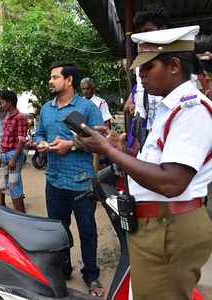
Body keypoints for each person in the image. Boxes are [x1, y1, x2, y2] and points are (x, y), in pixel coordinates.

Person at [79, 26, 212, 300]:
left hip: (169, 227)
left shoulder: (192, 110)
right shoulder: (170, 109)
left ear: (174, 66)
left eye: (147, 68)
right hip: (159, 225)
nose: (140, 75)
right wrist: (120, 150)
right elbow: (158, 167)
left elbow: (171, 182)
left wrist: (107, 150)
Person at [35, 63, 104, 297]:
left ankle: (91, 276)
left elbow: (100, 138)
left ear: (69, 80)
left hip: (81, 181)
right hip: (54, 181)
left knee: (87, 232)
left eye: (55, 77)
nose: (50, 81)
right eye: (51, 77)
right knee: (57, 232)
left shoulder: (87, 107)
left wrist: (71, 145)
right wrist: (41, 144)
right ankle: (63, 269)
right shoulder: (46, 109)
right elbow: (39, 133)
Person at [0, 90, 28, 212]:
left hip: (13, 155)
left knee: (14, 186)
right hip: (6, 155)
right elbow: (5, 138)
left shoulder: (20, 117)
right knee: (7, 186)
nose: (1, 105)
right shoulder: (8, 118)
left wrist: (14, 159)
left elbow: (22, 140)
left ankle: (22, 216)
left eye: (2, 102)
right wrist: (0, 157)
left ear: (9, 102)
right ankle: (17, 215)